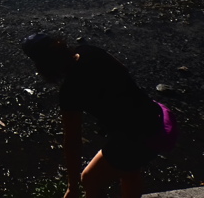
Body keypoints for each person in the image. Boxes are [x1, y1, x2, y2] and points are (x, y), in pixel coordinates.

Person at [22, 34, 177, 198]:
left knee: (90, 179)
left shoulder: (70, 91)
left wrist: (72, 187)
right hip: (158, 117)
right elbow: (123, 69)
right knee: (130, 172)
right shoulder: (89, 50)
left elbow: (72, 142)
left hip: (141, 138)